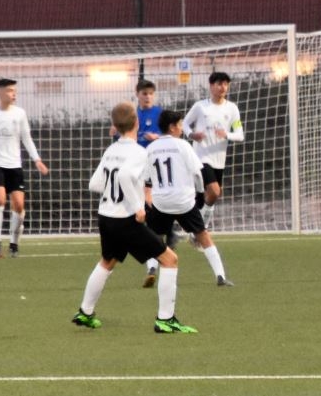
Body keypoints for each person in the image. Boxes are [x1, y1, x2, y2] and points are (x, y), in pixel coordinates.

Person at [73, 102, 196, 334]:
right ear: (137, 123)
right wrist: (138, 206)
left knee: (107, 262)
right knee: (170, 260)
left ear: (115, 125)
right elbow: (125, 176)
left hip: (106, 216)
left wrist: (117, 195)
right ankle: (166, 319)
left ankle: (85, 312)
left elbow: (94, 184)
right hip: (125, 220)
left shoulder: (111, 150)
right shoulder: (139, 152)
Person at [146, 110, 233, 287]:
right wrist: (200, 194)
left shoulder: (151, 148)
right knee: (203, 235)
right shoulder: (183, 146)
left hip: (161, 202)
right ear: (172, 127)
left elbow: (147, 179)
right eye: (179, 124)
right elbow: (197, 174)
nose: (181, 128)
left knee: (155, 237)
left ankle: (152, 269)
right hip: (183, 201)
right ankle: (220, 276)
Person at [0, 79, 48, 258]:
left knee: (19, 205)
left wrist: (37, 160)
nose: (14, 94)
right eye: (10, 90)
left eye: (14, 90)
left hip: (14, 164)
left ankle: (14, 242)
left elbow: (26, 138)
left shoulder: (19, 113)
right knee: (0, 199)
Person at [181, 72, 244, 230]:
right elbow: (184, 124)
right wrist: (192, 134)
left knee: (210, 197)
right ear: (211, 86)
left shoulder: (232, 108)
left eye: (225, 84)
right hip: (201, 157)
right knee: (214, 192)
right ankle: (202, 226)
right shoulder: (200, 106)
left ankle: (196, 227)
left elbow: (240, 135)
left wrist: (226, 134)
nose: (223, 87)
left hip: (219, 160)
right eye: (219, 84)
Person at [134, 79, 167, 284]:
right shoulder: (132, 115)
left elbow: (171, 137)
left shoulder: (160, 114)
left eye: (150, 94)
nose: (147, 97)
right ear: (137, 94)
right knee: (143, 214)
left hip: (155, 167)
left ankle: (153, 263)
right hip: (136, 168)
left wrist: (157, 138)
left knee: (152, 212)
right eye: (144, 93)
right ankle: (153, 262)